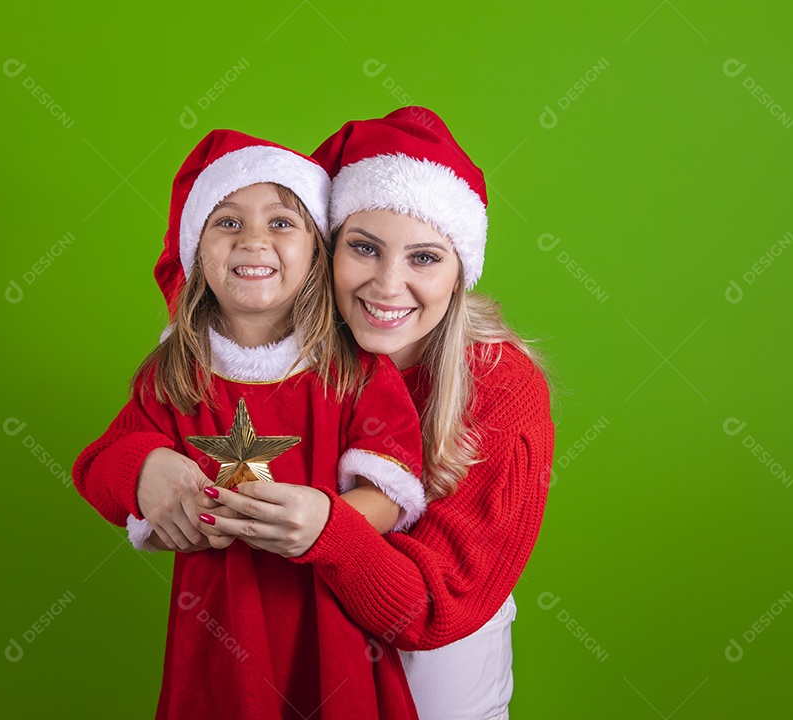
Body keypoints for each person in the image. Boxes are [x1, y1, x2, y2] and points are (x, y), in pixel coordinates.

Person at [198, 107, 555, 720]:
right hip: (306, 665)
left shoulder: (499, 385)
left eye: (424, 258)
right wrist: (150, 470)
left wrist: (326, 530)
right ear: (324, 250)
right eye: (364, 248)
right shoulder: (282, 354)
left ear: (459, 271)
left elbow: (439, 607)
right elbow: (143, 425)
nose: (388, 286)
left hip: (436, 678)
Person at [71, 129, 428, 719]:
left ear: (319, 250)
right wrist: (145, 473)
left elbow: (392, 490)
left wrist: (325, 524)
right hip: (215, 635)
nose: (253, 241)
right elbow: (99, 468)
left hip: (329, 626)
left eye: (282, 223)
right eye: (228, 222)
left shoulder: (353, 369)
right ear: (197, 250)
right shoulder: (175, 373)